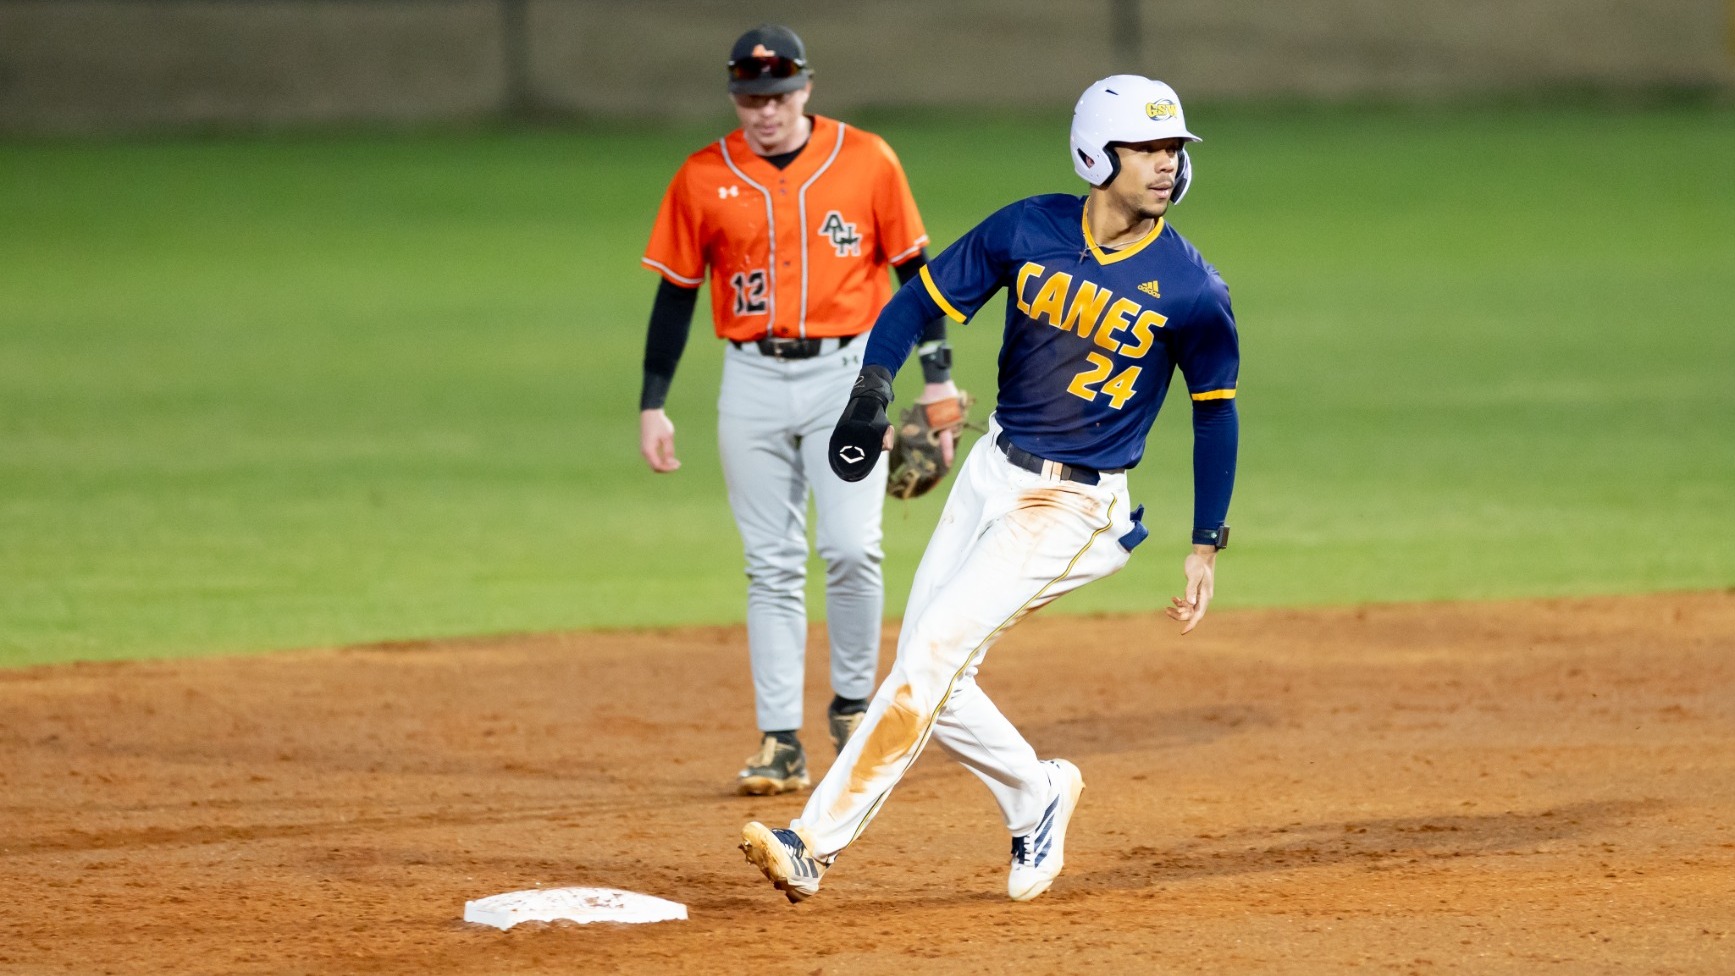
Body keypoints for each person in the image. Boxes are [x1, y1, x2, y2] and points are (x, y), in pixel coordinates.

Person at [738, 75, 1240, 902]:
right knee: (931, 667)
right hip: (990, 473)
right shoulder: (1027, 227)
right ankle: (1036, 794)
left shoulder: (1191, 288)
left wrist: (1204, 542)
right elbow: (914, 302)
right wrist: (871, 388)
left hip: (1072, 506)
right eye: (1146, 148)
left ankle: (811, 844)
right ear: (1096, 153)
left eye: (1172, 150)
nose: (1165, 165)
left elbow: (1214, 413)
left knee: (931, 656)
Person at [638, 24, 961, 796]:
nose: (765, 111)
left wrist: (937, 382)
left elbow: (917, 277)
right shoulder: (701, 175)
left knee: (851, 547)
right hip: (748, 379)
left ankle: (852, 708)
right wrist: (653, 403)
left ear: (805, 89)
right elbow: (675, 295)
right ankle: (778, 741)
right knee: (771, 563)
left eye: (778, 95)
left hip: (848, 375)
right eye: (750, 98)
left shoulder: (867, 159)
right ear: (735, 98)